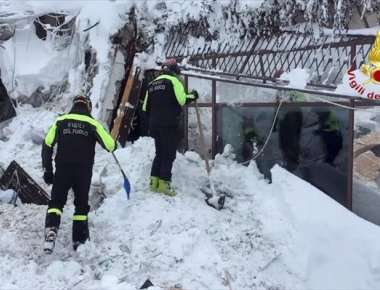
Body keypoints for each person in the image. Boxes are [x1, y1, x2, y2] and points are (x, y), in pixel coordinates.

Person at [41, 95, 116, 253]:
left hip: (63, 168)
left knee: (56, 202)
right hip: (83, 171)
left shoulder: (61, 121)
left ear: (73, 105)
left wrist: (48, 170)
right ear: (88, 107)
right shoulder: (92, 123)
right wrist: (111, 144)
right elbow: (110, 145)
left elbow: (47, 144)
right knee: (81, 206)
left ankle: (51, 230)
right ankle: (79, 242)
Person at [142, 58, 198, 196]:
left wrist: (154, 118)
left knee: (159, 153)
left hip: (154, 125)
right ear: (174, 71)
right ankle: (164, 184)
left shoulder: (152, 84)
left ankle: (153, 182)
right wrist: (194, 95)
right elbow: (182, 99)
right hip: (168, 125)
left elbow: (145, 108)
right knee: (169, 154)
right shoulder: (174, 81)